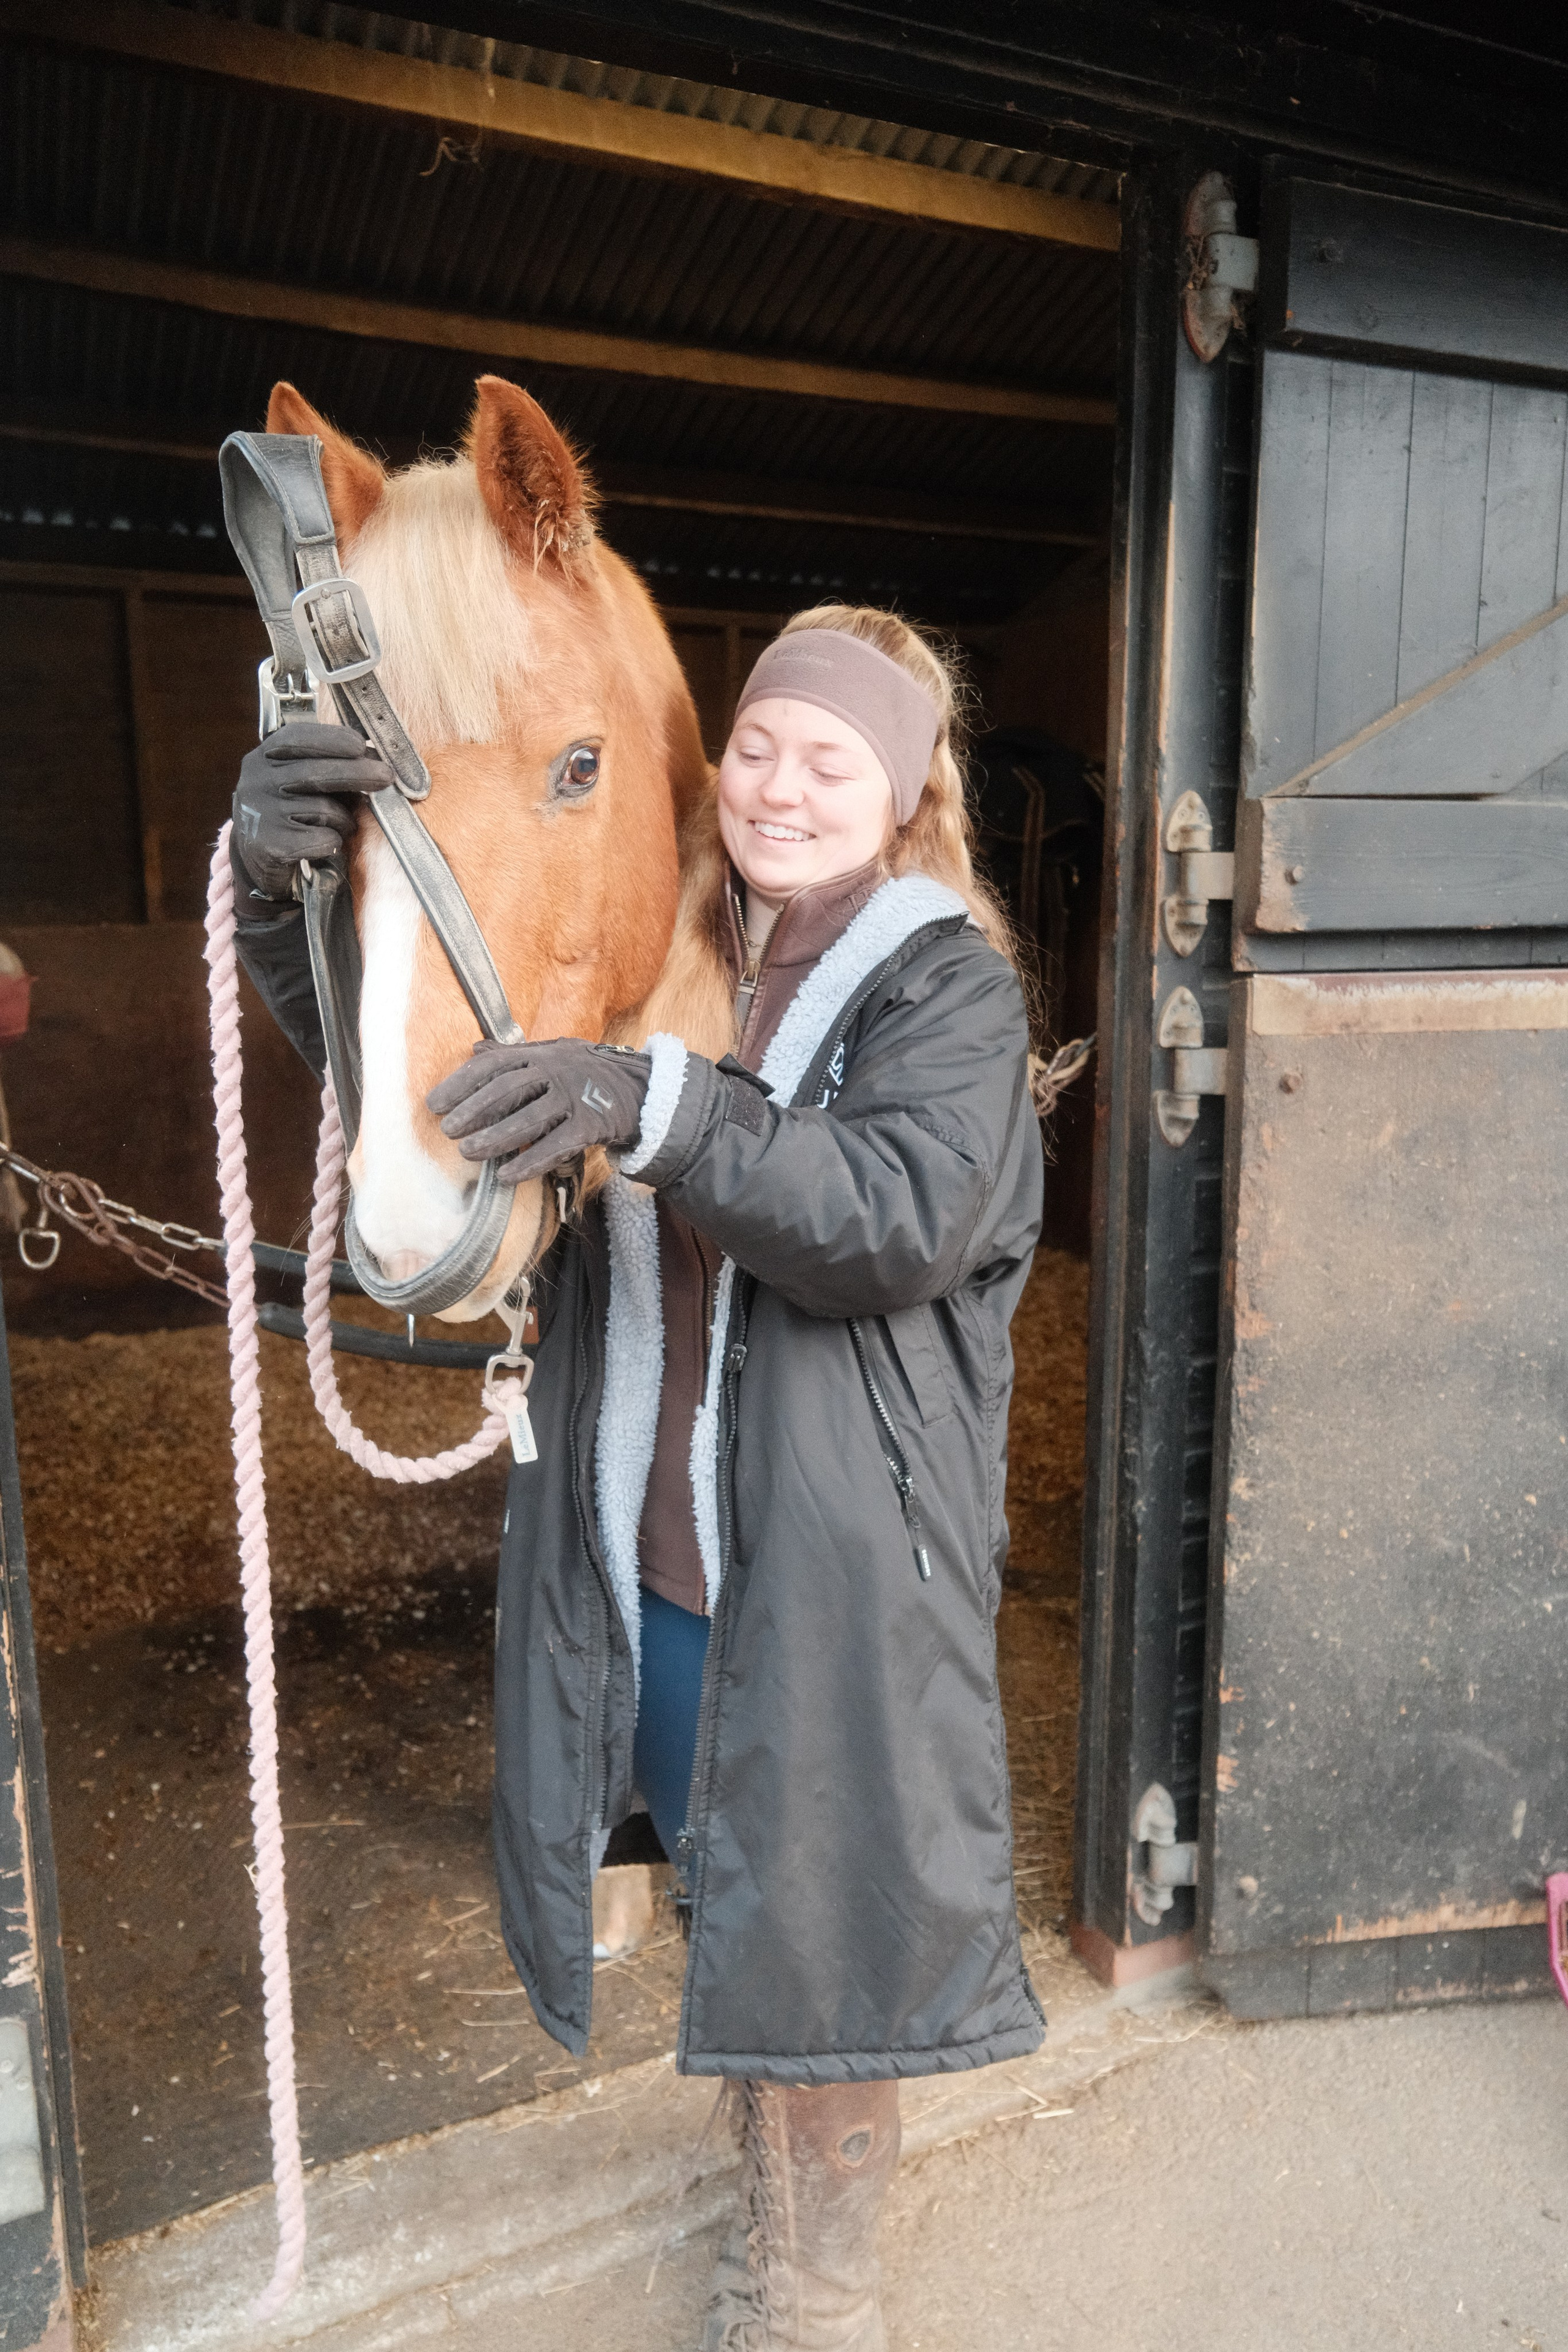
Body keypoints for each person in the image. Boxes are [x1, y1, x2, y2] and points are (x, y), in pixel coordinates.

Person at [230, 606, 1045, 2351]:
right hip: (657, 1566)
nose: (780, 785)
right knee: (730, 1900)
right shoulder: (652, 944)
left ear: (901, 795)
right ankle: (764, 2196)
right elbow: (426, 1057)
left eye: (833, 761)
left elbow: (890, 1221)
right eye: (757, 745)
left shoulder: (946, 988)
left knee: (823, 1952)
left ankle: (819, 2298)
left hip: (831, 1592)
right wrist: (275, 893)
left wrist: (658, 1107)